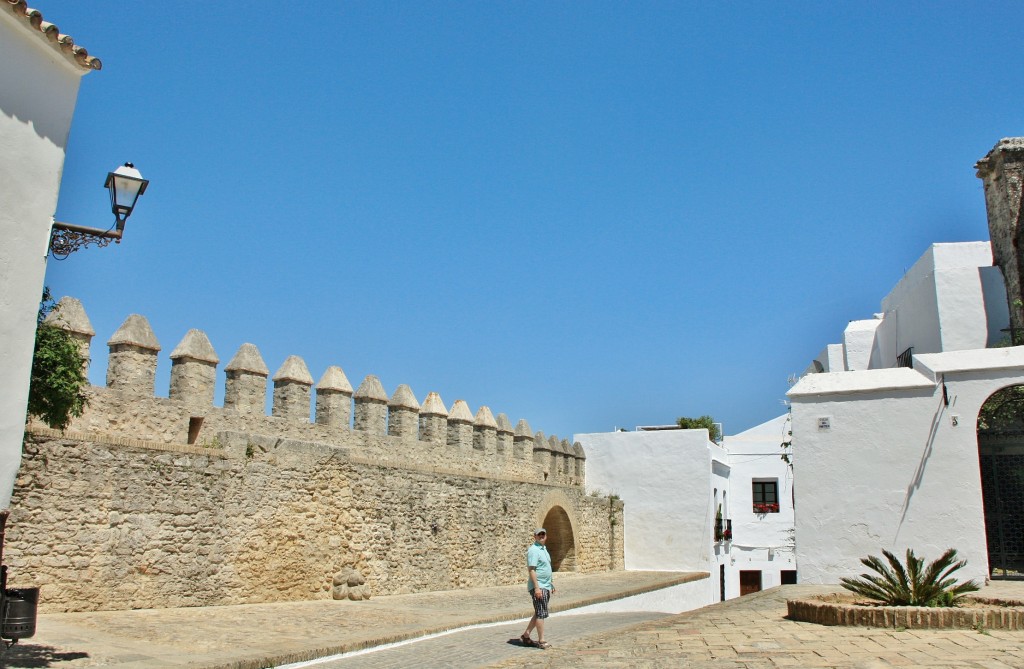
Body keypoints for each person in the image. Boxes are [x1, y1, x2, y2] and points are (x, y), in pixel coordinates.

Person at [520, 527, 554, 649]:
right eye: (539, 534)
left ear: (546, 536)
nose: (541, 536)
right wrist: (537, 588)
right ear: (534, 536)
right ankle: (541, 640)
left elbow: (547, 568)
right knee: (541, 613)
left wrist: (551, 583)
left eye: (543, 534)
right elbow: (532, 570)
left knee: (539, 612)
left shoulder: (544, 549)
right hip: (539, 586)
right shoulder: (533, 550)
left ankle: (526, 635)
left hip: (545, 585)